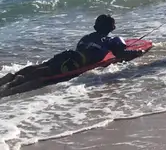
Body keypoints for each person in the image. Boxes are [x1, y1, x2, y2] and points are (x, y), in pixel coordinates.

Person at [0, 14, 143, 95]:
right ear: (112, 27)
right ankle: (12, 86)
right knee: (46, 72)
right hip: (77, 62)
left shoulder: (87, 37)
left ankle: (11, 76)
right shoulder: (112, 40)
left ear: (95, 27)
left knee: (43, 66)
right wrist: (138, 52)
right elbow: (122, 54)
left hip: (68, 54)